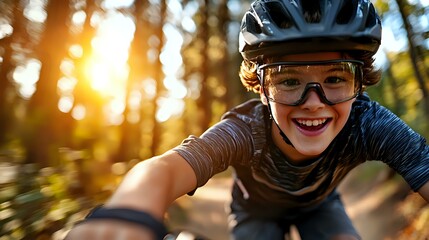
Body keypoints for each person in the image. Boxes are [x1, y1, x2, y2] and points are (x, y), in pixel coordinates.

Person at [65, 0, 429, 239]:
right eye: (289, 81)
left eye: (335, 79)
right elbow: (167, 168)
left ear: (360, 83)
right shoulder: (246, 131)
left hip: (321, 206)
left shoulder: (368, 123)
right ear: (261, 89)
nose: (314, 103)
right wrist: (130, 211)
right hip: (255, 210)